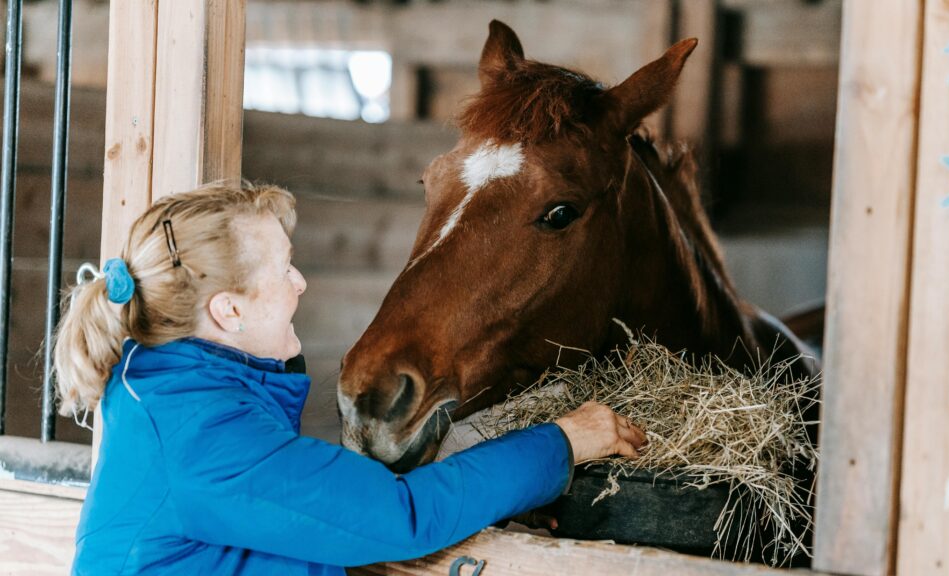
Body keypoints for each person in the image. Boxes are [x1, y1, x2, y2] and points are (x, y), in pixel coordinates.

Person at [55, 182, 647, 575]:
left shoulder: (166, 394)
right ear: (228, 312)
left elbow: (314, 513)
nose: (300, 282)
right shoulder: (200, 434)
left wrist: (509, 491)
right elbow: (401, 517)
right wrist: (563, 442)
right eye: (284, 268)